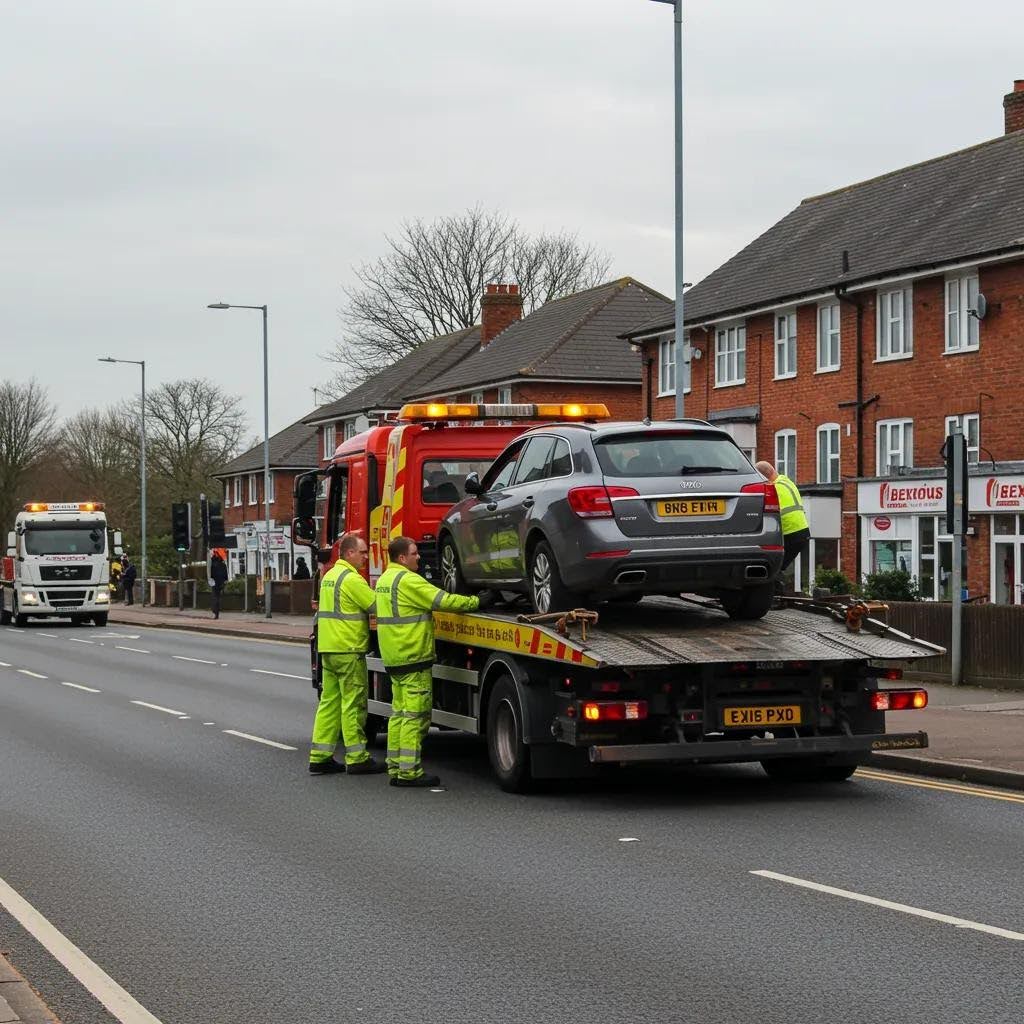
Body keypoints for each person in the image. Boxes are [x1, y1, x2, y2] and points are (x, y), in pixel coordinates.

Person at [375, 536, 493, 788]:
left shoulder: (385, 580)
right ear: (401, 558)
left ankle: (395, 766)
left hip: (395, 657)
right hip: (413, 656)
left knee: (399, 713)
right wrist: (477, 601)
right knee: (415, 716)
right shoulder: (408, 580)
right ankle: (408, 772)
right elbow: (444, 601)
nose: (419, 557)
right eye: (415, 553)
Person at [309, 533, 386, 776]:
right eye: (363, 552)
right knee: (353, 703)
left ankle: (320, 756)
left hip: (329, 648)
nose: (366, 556)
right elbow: (377, 606)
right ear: (349, 553)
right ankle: (356, 757)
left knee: (329, 703)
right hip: (349, 648)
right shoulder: (352, 580)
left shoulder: (330, 576)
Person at [755, 461, 810, 583]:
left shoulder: (773, 489)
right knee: (778, 567)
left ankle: (774, 593)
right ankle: (778, 590)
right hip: (803, 532)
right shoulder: (786, 481)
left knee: (772, 567)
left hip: (790, 533)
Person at [210, 551, 228, 619]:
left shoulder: (212, 564)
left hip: (215, 582)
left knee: (215, 596)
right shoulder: (223, 564)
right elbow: (225, 574)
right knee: (218, 597)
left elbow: (211, 574)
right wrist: (225, 580)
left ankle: (215, 611)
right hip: (221, 582)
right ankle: (217, 611)